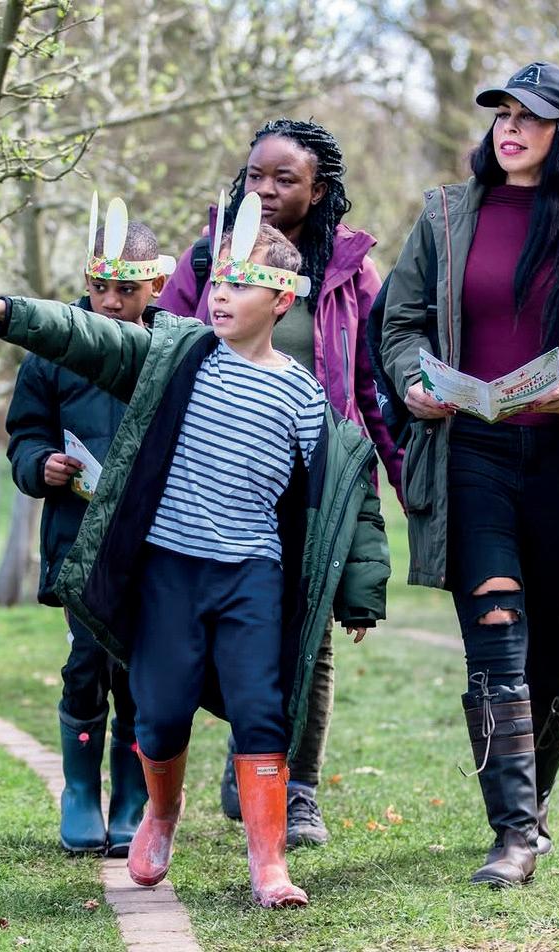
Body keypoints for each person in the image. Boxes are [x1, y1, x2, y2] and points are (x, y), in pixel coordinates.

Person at [0, 203, 390, 908]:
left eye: (240, 284)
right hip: (169, 572)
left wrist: (359, 592)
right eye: (217, 282)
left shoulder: (301, 394)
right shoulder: (177, 358)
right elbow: (84, 335)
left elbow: (343, 491)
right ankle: (160, 815)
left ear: (281, 300)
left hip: (251, 577)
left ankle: (269, 867)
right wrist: (4, 310)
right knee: (161, 713)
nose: (221, 295)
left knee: (262, 711)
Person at [381, 61, 559, 887]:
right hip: (471, 456)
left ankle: (531, 815)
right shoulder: (443, 216)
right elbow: (398, 325)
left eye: (529, 117)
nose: (510, 128)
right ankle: (509, 834)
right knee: (496, 635)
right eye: (501, 114)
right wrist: (413, 382)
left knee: (554, 663)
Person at [159, 118, 401, 846]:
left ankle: (296, 790)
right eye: (255, 175)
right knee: (229, 628)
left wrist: (402, 477)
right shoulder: (208, 258)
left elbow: (372, 388)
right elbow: (159, 352)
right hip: (220, 479)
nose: (263, 189)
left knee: (311, 636)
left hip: (313, 484)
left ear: (318, 190)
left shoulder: (352, 273)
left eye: (284, 179)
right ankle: (251, 751)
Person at [5, 218, 169, 856]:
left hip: (155, 542)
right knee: (86, 661)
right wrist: (40, 464)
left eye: (127, 290)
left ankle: (131, 797)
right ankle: (79, 790)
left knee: (139, 671)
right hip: (78, 542)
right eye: (101, 288)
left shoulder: (176, 350)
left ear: (155, 286)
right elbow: (25, 434)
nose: (111, 302)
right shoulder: (52, 351)